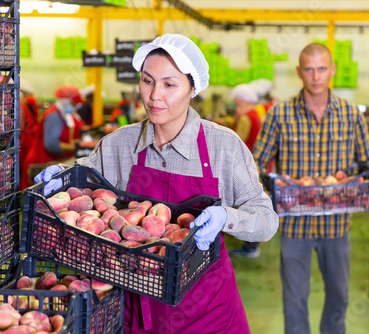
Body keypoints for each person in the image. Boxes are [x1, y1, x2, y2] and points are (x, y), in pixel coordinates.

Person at [35, 33, 279, 333]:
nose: (154, 96)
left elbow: (266, 221)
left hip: (207, 312)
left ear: (193, 88)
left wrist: (227, 218)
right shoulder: (120, 145)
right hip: (133, 308)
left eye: (169, 84)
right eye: (147, 81)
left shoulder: (222, 147)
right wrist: (59, 179)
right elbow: (83, 183)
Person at [252, 43, 369, 334]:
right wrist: (276, 188)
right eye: (309, 69)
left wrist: (353, 179)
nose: (316, 76)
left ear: (332, 70)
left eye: (322, 68)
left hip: (337, 225)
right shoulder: (280, 115)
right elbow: (255, 164)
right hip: (295, 226)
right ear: (299, 72)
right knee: (295, 298)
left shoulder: (350, 115)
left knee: (340, 295)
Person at [20, 85, 86, 190]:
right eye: (74, 103)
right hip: (41, 162)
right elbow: (51, 144)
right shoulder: (54, 116)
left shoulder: (63, 114)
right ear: (66, 101)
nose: (76, 106)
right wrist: (77, 149)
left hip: (50, 162)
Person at [228, 84, 263, 258]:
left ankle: (251, 246)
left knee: (246, 205)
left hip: (245, 166)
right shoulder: (256, 114)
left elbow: (237, 142)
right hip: (254, 164)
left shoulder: (244, 118)